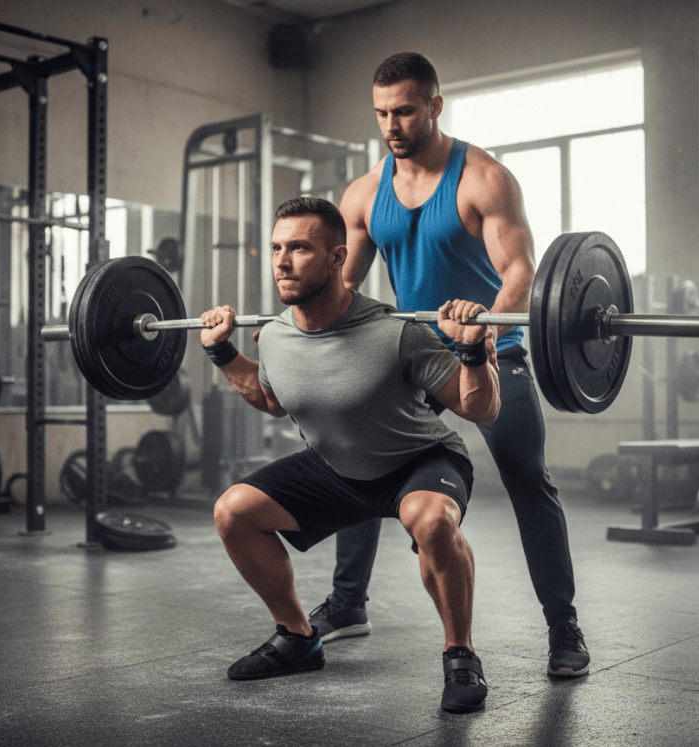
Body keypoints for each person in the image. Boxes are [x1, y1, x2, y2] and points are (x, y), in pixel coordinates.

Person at [309, 52, 591, 678]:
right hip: (413, 354)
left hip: (492, 347)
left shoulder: (483, 179)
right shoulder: (365, 193)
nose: (392, 124)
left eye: (405, 111)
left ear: (435, 106)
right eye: (382, 113)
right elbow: (344, 284)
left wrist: (485, 332)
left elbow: (521, 271)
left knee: (527, 478)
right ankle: (349, 603)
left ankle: (562, 625)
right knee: (359, 462)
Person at [200, 195, 500, 713]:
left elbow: (481, 408)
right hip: (335, 467)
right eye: (276, 248)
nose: (282, 260)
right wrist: (223, 353)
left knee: (430, 524)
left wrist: (472, 351)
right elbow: (271, 400)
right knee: (233, 512)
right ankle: (297, 637)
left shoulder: (396, 333)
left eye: (299, 248)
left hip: (420, 461)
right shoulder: (273, 337)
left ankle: (460, 654)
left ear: (338, 258)